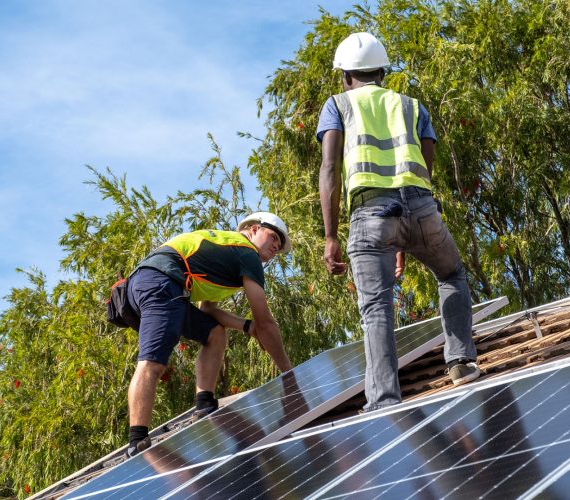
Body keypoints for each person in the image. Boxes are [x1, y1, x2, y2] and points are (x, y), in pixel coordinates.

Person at [316, 32, 480, 413]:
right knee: (451, 274)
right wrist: (407, 234)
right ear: (382, 72)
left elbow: (329, 168)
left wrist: (330, 236)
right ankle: (460, 360)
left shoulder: (337, 105)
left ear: (345, 75)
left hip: (372, 213)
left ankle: (384, 399)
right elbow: (425, 163)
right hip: (422, 207)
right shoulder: (411, 105)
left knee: (376, 306)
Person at [121, 212, 293, 458]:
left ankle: (204, 404)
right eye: (274, 237)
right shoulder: (246, 252)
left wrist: (246, 327)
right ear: (254, 230)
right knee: (153, 362)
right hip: (161, 283)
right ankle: (136, 440)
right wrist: (289, 374)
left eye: (280, 246)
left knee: (214, 333)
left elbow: (209, 311)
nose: (277, 247)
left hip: (150, 283)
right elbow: (266, 322)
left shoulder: (224, 252)